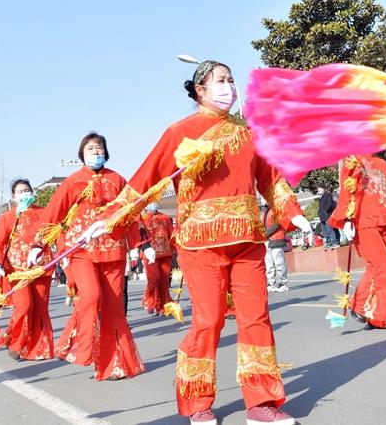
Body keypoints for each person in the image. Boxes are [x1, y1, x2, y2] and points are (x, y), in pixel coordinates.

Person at [125, 60, 313, 425]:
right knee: (208, 320)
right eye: (221, 81)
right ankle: (197, 402)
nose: (229, 86)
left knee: (256, 318)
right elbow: (146, 181)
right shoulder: (179, 132)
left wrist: (292, 212)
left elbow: (270, 179)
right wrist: (112, 219)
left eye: (231, 80)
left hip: (247, 239)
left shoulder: (248, 132)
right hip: (201, 243)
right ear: (200, 90)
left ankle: (261, 403)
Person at [29, 132, 145, 380]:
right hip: (82, 250)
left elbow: (132, 212)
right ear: (82, 154)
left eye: (99, 147)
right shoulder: (73, 182)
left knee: (114, 309)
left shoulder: (118, 179)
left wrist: (141, 246)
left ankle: (113, 366)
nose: (95, 151)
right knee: (91, 296)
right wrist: (38, 244)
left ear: (106, 151)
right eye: (90, 148)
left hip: (113, 250)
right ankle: (76, 346)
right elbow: (54, 213)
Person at [328, 154, 386, 330]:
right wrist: (346, 219)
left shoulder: (383, 164)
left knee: (378, 268)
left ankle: (366, 310)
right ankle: (384, 316)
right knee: (381, 264)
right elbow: (347, 191)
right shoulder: (352, 161)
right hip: (365, 220)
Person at [0, 179, 55, 361]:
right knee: (24, 305)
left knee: (40, 308)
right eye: (20, 191)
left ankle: (37, 349)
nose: (25, 194)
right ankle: (15, 342)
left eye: (27, 190)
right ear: (13, 196)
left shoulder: (44, 213)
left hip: (41, 268)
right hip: (17, 270)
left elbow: (55, 233)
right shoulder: (8, 217)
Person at [140, 203, 174, 315]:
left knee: (164, 282)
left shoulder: (165, 217)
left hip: (166, 253)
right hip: (150, 255)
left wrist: (176, 248)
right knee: (154, 278)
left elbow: (171, 234)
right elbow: (139, 236)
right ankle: (148, 300)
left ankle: (161, 307)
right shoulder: (143, 218)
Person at [262, 205, 289, 293]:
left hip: (276, 238)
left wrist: (265, 234)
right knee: (269, 264)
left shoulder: (277, 207)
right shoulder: (265, 209)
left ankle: (282, 283)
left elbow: (276, 224)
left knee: (279, 262)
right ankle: (271, 283)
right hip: (267, 240)